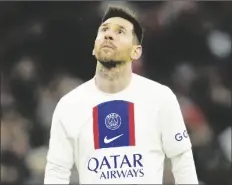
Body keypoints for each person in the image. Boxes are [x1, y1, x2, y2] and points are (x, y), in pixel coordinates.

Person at [44, 5, 199, 184]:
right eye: (104, 31)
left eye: (121, 32)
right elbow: (57, 170)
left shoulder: (160, 98)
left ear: (136, 51)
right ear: (94, 47)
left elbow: (182, 160)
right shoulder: (70, 104)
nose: (109, 36)